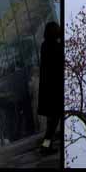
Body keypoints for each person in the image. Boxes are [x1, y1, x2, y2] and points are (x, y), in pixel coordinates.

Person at [37, 21, 62, 155]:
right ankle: (45, 147)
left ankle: (46, 146)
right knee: (52, 125)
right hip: (54, 91)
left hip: (47, 91)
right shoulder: (55, 47)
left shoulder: (44, 46)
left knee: (51, 124)